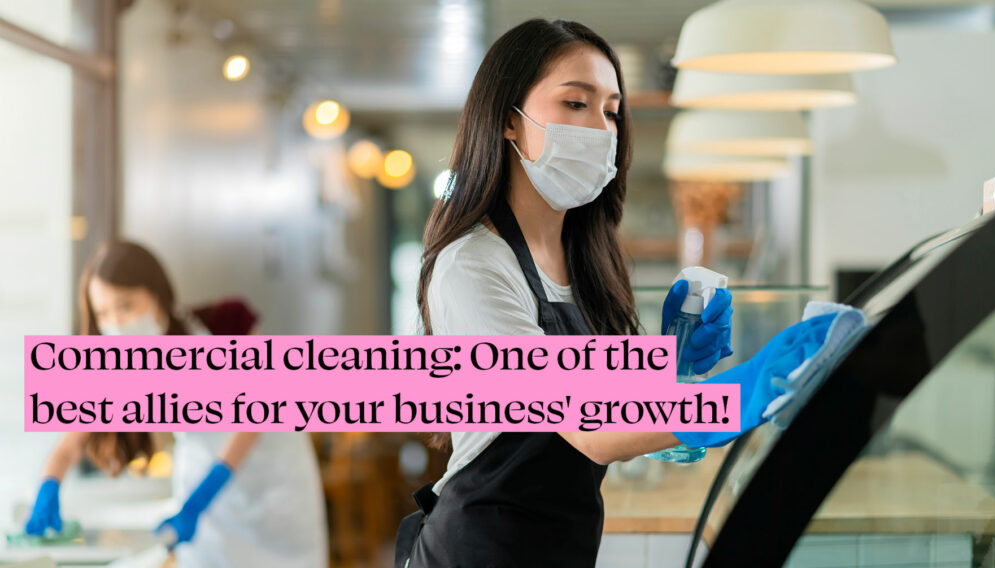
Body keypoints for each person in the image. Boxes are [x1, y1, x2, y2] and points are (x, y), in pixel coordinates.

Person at [402, 19, 734, 567]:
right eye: (576, 104)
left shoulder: (588, 260)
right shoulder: (473, 264)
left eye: (611, 111)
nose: (602, 129)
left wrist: (671, 365)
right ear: (509, 120)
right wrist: (730, 401)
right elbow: (590, 425)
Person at [24, 240, 328, 568]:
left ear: (157, 295)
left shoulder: (225, 324)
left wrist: (200, 500)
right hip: (207, 496)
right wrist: (48, 485)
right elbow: (70, 445)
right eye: (103, 313)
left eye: (125, 306)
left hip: (274, 483)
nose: (115, 322)